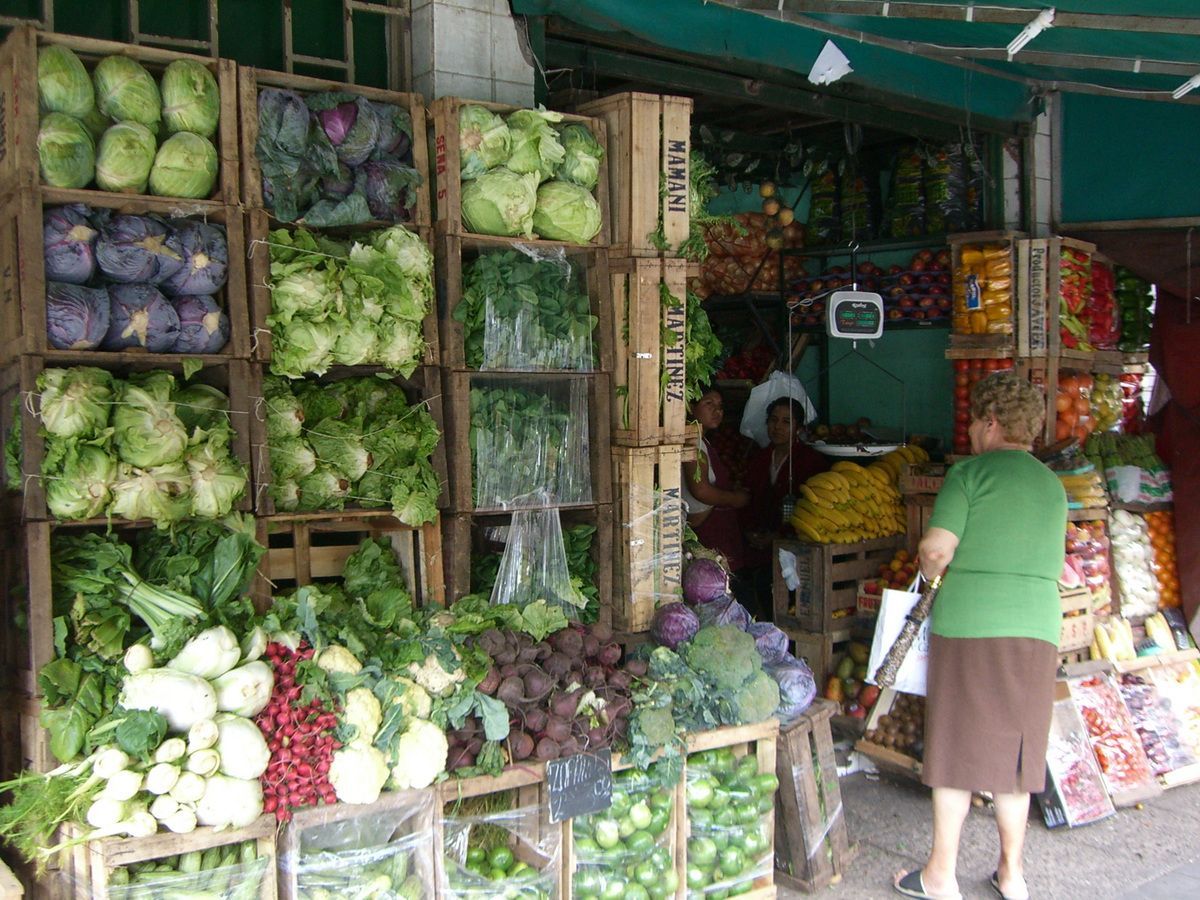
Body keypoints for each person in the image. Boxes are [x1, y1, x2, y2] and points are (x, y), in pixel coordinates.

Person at [893, 372, 1066, 900]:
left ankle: (940, 876)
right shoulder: (1051, 485)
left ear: (992, 422)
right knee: (1017, 755)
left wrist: (929, 575)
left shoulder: (970, 475)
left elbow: (937, 550)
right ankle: (1012, 875)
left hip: (971, 624)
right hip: (1037, 629)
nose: (968, 430)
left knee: (956, 750)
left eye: (973, 419)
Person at [740, 397, 831, 618]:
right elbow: (749, 498)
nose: (777, 427)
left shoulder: (810, 461)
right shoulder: (760, 459)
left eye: (786, 422)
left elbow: (812, 510)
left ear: (798, 428)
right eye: (773, 420)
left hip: (795, 544)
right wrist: (751, 532)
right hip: (760, 543)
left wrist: (778, 536)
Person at [681, 386, 750, 574]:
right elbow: (701, 490)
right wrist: (736, 499)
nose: (717, 411)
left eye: (720, 406)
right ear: (690, 407)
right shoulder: (692, 442)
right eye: (709, 404)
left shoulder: (702, 441)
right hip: (706, 533)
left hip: (717, 532)